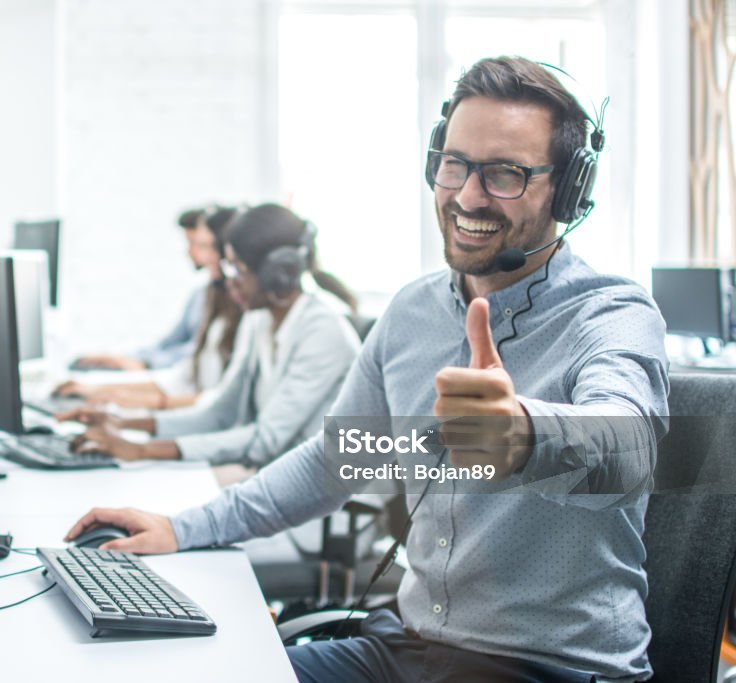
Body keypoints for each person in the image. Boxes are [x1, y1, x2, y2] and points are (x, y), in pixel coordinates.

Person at [64, 57, 669, 682]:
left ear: (568, 190)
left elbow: (630, 446)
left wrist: (521, 433)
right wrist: (181, 527)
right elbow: (335, 461)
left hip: (549, 669)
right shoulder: (413, 311)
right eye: (454, 164)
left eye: (505, 175)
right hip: (407, 649)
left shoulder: (612, 312)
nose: (465, 195)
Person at [58, 203, 362, 467]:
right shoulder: (260, 322)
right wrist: (123, 425)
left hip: (320, 501)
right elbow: (220, 414)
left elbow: (265, 440)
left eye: (239, 269)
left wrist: (140, 450)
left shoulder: (323, 333)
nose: (229, 281)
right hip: (276, 476)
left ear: (276, 273)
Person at [55, 207, 244, 409]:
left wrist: (126, 397)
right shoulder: (208, 297)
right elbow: (181, 374)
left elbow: (217, 400)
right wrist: (98, 389)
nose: (199, 255)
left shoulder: (245, 317)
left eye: (205, 246)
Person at [70, 207, 215, 371]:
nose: (189, 251)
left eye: (196, 244)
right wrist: (122, 358)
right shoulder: (200, 295)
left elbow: (202, 353)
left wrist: (147, 363)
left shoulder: (234, 300)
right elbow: (168, 343)